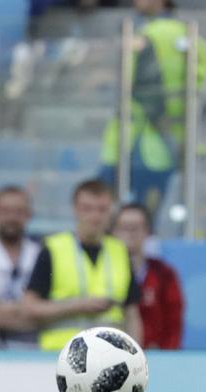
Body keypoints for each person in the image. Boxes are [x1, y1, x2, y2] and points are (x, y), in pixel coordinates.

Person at [99, 0, 206, 208]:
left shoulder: (147, 34)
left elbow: (146, 90)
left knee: (119, 212)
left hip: (139, 141)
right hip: (169, 143)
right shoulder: (193, 37)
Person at [22, 180, 143, 351]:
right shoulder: (54, 248)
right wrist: (77, 305)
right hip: (62, 353)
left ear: (111, 212)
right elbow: (30, 307)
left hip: (110, 357)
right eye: (87, 209)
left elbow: (132, 314)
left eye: (102, 209)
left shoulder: (120, 251)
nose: (95, 216)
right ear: (75, 210)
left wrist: (135, 353)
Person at [0, 186, 42, 350]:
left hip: (34, 348)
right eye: (6, 211)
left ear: (28, 215)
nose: (12, 217)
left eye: (18, 212)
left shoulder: (40, 255)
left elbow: (44, 312)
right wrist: (25, 312)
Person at [113, 202, 183, 350]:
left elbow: (173, 322)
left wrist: (165, 353)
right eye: (124, 228)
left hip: (155, 357)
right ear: (114, 231)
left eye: (136, 228)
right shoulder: (103, 271)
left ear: (148, 231)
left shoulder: (164, 274)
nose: (130, 234)